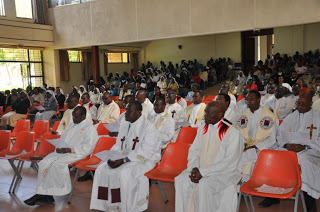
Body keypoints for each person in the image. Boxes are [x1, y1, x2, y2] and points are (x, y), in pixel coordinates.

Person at [90, 101, 160, 212]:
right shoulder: (124, 124)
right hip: (124, 157)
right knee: (101, 169)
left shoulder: (149, 127)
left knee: (123, 173)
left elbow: (147, 151)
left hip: (144, 159)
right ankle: (105, 204)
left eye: (129, 110)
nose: (126, 113)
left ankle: (121, 205)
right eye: (126, 109)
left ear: (138, 112)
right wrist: (112, 156)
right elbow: (118, 144)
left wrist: (124, 160)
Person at [175, 101, 242, 212]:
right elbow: (194, 151)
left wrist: (203, 172)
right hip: (201, 169)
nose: (204, 116)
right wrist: (195, 168)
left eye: (208, 113)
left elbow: (229, 162)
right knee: (180, 180)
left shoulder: (232, 133)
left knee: (204, 185)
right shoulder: (203, 128)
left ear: (219, 114)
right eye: (205, 112)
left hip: (225, 173)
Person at [24, 106, 98, 206]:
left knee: (56, 164)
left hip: (76, 154)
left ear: (84, 116)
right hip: (63, 151)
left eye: (76, 117)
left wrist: (70, 149)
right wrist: (59, 146)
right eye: (73, 116)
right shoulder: (71, 125)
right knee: (44, 163)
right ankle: (44, 194)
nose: (74, 118)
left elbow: (89, 147)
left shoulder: (90, 128)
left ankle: (47, 194)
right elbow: (63, 138)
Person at [277, 92, 320, 212]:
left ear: (311, 104)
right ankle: (272, 195)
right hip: (290, 150)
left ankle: (310, 202)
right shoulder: (290, 117)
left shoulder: (318, 118)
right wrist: (286, 144)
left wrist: (305, 147)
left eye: (304, 104)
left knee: (305, 161)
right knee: (273, 155)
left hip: (310, 152)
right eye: (298, 104)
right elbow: (280, 135)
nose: (300, 107)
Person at [236, 90, 277, 185]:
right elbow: (239, 133)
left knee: (246, 156)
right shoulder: (244, 114)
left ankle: (242, 181)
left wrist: (255, 146)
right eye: (247, 100)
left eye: (252, 99)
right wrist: (243, 144)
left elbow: (272, 139)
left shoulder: (268, 116)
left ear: (259, 99)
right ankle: (239, 182)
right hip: (246, 146)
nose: (249, 102)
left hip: (263, 147)